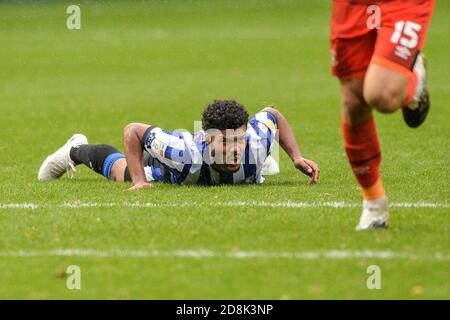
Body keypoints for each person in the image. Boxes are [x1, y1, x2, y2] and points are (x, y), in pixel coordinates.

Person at [38, 100, 319, 188]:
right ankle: (74, 150)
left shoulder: (255, 140)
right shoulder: (185, 154)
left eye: (239, 140)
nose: (235, 148)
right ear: (208, 139)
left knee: (253, 161)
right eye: (226, 142)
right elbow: (133, 131)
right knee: (119, 172)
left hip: (246, 162)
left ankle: (254, 170)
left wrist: (296, 156)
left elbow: (272, 114)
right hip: (165, 166)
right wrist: (138, 181)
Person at [330, 0, 435, 230]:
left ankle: (412, 75)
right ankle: (374, 205)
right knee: (354, 100)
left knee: (382, 95)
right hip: (351, 5)